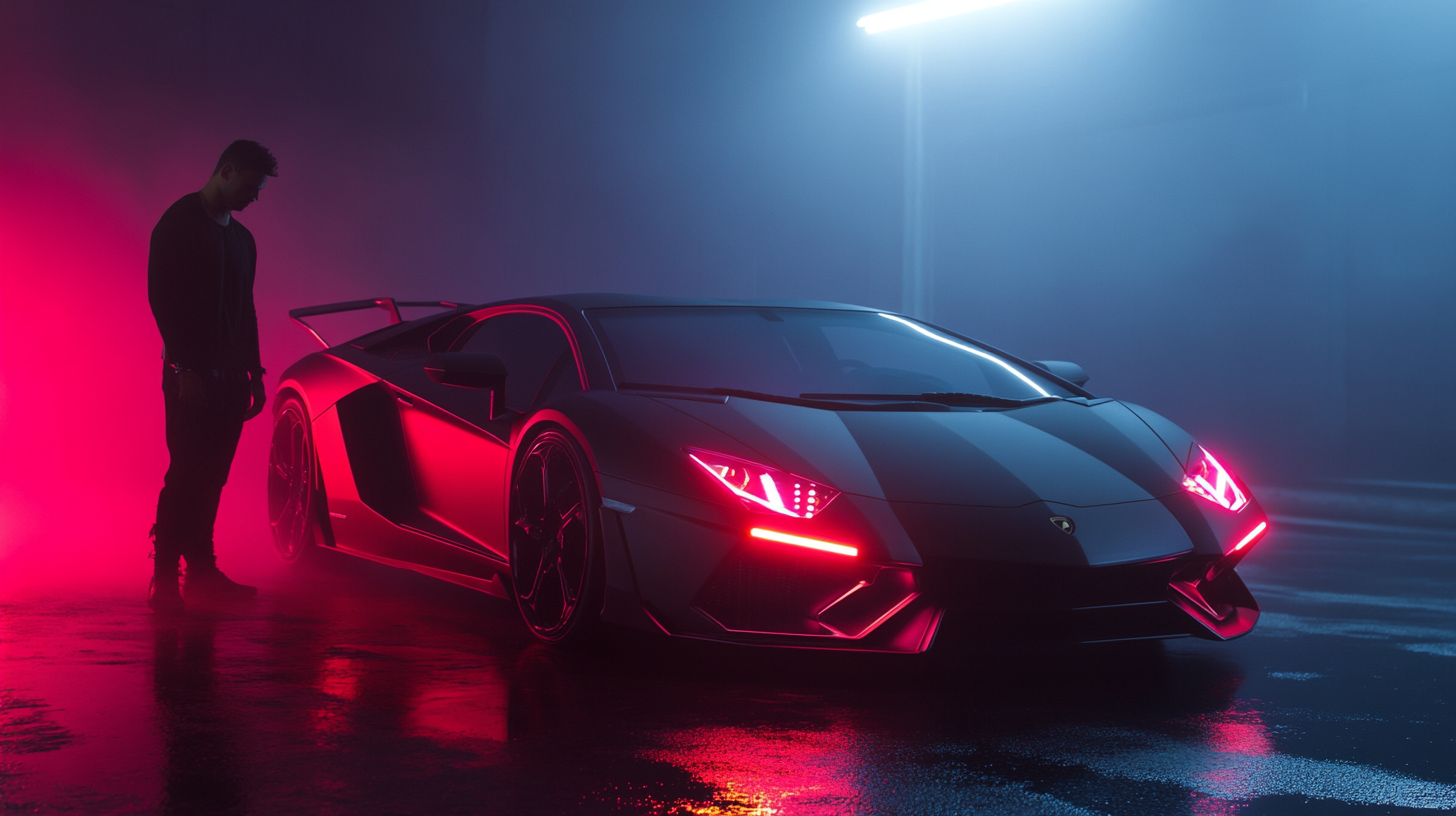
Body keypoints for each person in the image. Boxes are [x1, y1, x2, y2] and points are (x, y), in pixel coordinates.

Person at [147, 139, 277, 614]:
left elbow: (247, 310)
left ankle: (201, 571)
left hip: (230, 380)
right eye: (250, 187)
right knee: (185, 476)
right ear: (226, 171)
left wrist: (256, 375)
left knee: (212, 479)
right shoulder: (179, 224)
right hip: (192, 376)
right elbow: (162, 300)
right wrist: (183, 369)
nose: (254, 198)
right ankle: (163, 580)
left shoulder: (243, 240)